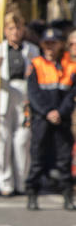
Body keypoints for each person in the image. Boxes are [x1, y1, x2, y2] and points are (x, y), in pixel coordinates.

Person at [0, 11, 36, 196]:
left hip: (23, 96)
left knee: (22, 141)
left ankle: (22, 180)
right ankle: (5, 182)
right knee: (2, 141)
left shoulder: (31, 50)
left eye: (18, 28)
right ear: (5, 30)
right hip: (4, 95)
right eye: (11, 28)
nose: (14, 32)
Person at [24, 26, 76, 211]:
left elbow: (72, 94)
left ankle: (67, 195)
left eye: (53, 43)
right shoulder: (36, 64)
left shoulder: (70, 65)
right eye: (46, 43)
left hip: (61, 119)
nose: (49, 47)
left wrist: (60, 113)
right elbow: (33, 93)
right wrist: (47, 112)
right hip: (41, 118)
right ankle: (32, 193)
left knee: (64, 159)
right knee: (38, 157)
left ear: (60, 45)